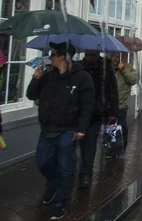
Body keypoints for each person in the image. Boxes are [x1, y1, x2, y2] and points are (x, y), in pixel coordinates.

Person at [26, 42, 94, 220]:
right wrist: (36, 78)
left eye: (54, 54)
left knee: (65, 167)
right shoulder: (49, 75)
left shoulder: (82, 78)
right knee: (42, 161)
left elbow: (88, 106)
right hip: (47, 128)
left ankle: (61, 203)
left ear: (63, 57)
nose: (51, 57)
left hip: (68, 130)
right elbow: (31, 95)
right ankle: (53, 183)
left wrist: (81, 128)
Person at [79, 51, 118, 189]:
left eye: (92, 55)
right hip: (77, 113)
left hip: (96, 113)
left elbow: (113, 90)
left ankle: (85, 174)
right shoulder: (79, 67)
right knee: (74, 147)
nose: (89, 58)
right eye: (87, 55)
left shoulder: (105, 68)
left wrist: (113, 111)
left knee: (89, 145)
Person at [111, 53, 139, 157]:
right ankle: (110, 148)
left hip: (121, 103)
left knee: (121, 126)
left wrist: (123, 70)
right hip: (109, 104)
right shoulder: (107, 68)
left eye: (117, 56)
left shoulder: (128, 67)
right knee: (110, 127)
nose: (115, 58)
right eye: (113, 56)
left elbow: (133, 80)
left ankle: (121, 147)